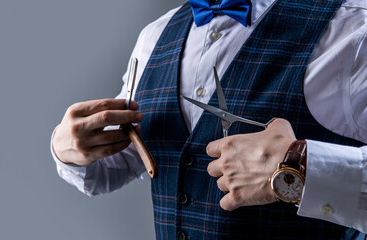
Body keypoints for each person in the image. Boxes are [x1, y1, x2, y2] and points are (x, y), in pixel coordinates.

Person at [51, 0, 367, 239]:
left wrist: (301, 168)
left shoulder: (355, 31)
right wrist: (68, 149)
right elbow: (128, 160)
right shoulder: (155, 36)